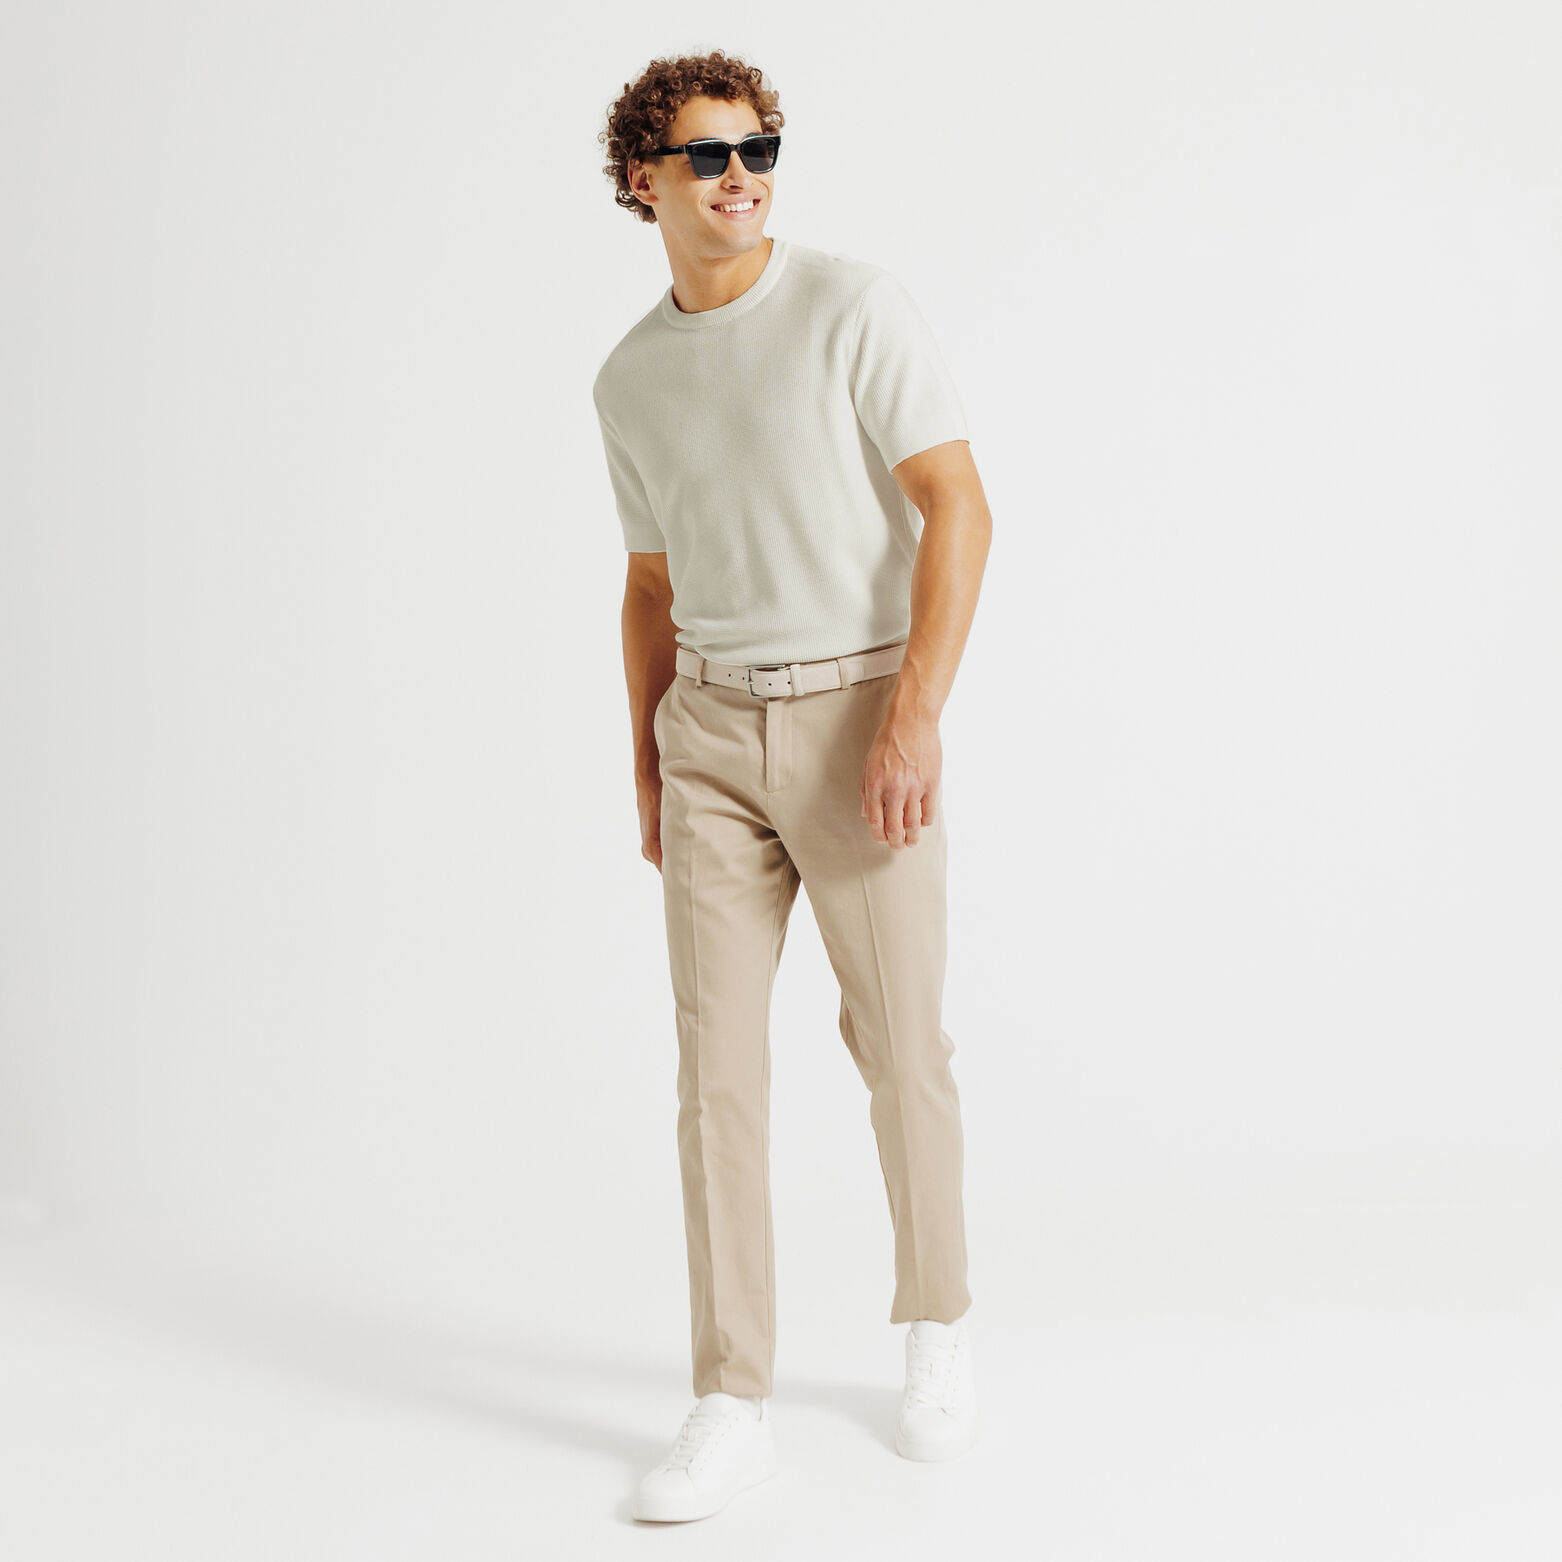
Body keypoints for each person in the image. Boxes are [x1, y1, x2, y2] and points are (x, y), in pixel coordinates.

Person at [592, 49, 992, 1524]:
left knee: (899, 1042)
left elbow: (958, 506)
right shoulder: (629, 376)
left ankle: (936, 1324)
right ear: (642, 180)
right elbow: (649, 583)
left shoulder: (851, 307)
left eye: (757, 148)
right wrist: (647, 762)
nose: (740, 176)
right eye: (706, 155)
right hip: (706, 732)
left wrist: (913, 716)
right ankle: (729, 1397)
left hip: (856, 716)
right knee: (714, 1076)